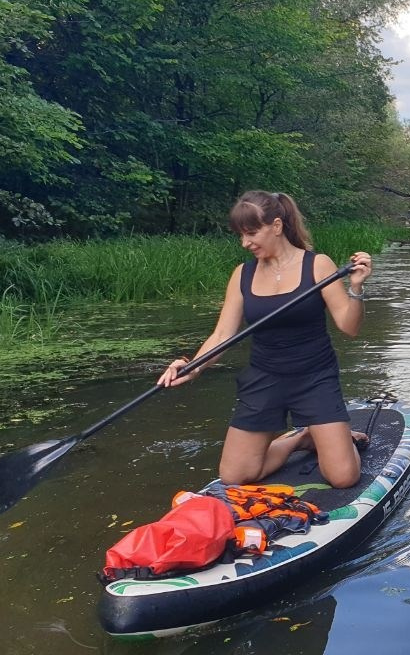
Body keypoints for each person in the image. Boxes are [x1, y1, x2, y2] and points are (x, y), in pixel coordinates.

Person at [157, 190, 373, 489]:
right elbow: (222, 334)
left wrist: (356, 288)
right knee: (235, 476)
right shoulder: (242, 275)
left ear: (276, 226)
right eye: (241, 235)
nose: (245, 243)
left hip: (315, 377)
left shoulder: (317, 265)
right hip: (264, 377)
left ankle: (330, 436)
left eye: (251, 233)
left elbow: (349, 327)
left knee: (343, 477)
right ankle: (301, 438)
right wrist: (192, 367)